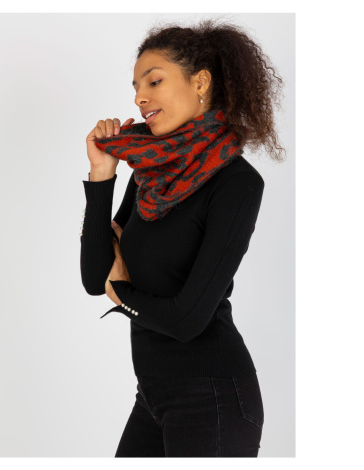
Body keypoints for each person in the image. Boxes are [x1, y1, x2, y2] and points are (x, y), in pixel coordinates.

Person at [80, 17, 285, 458]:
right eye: (136, 87)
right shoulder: (148, 175)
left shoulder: (236, 183)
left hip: (213, 399)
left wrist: (120, 291)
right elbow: (94, 277)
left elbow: (187, 320)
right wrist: (101, 176)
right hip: (152, 397)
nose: (139, 97)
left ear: (201, 83)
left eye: (154, 81)